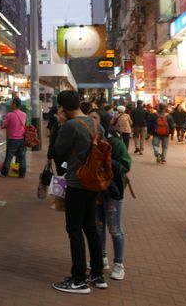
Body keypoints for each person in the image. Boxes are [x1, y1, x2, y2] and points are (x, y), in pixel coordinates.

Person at [52, 90, 107, 294]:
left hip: (77, 182)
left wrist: (60, 124)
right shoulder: (95, 123)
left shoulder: (70, 126)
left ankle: (78, 279)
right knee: (90, 226)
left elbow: (58, 149)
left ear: (63, 108)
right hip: (95, 181)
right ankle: (98, 274)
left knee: (74, 229)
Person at [96, 129, 131, 281]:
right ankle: (102, 257)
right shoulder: (89, 142)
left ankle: (118, 264)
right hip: (96, 189)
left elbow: (125, 164)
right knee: (98, 226)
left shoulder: (115, 142)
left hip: (113, 190)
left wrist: (106, 162)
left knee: (115, 228)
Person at [0, 97, 27, 178]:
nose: (11, 105)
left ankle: (4, 173)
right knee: (22, 157)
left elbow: (4, 125)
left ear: (15, 104)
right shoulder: (24, 114)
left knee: (9, 157)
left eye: (12, 103)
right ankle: (22, 174)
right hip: (22, 139)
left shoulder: (10, 115)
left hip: (13, 139)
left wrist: (2, 122)